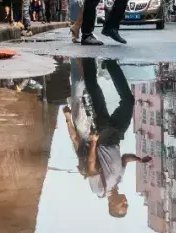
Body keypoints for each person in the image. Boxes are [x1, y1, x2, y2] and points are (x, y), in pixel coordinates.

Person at [64, 58, 150, 216]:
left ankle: (88, 58)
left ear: (112, 205)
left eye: (122, 205)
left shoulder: (99, 190)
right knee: (128, 101)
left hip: (102, 137)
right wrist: (138, 159)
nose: (125, 202)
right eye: (127, 204)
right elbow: (124, 158)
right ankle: (110, 63)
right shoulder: (118, 180)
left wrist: (94, 142)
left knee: (94, 89)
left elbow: (91, 166)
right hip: (116, 135)